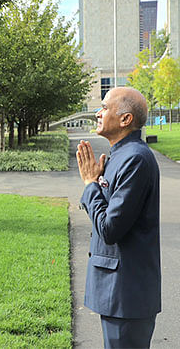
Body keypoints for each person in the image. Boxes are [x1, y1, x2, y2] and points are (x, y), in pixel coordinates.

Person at [76, 86, 161, 348]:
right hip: (119, 292)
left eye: (104, 107)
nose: (98, 114)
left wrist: (91, 184)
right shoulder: (121, 155)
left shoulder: (135, 158)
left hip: (126, 294)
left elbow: (110, 229)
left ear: (125, 120)